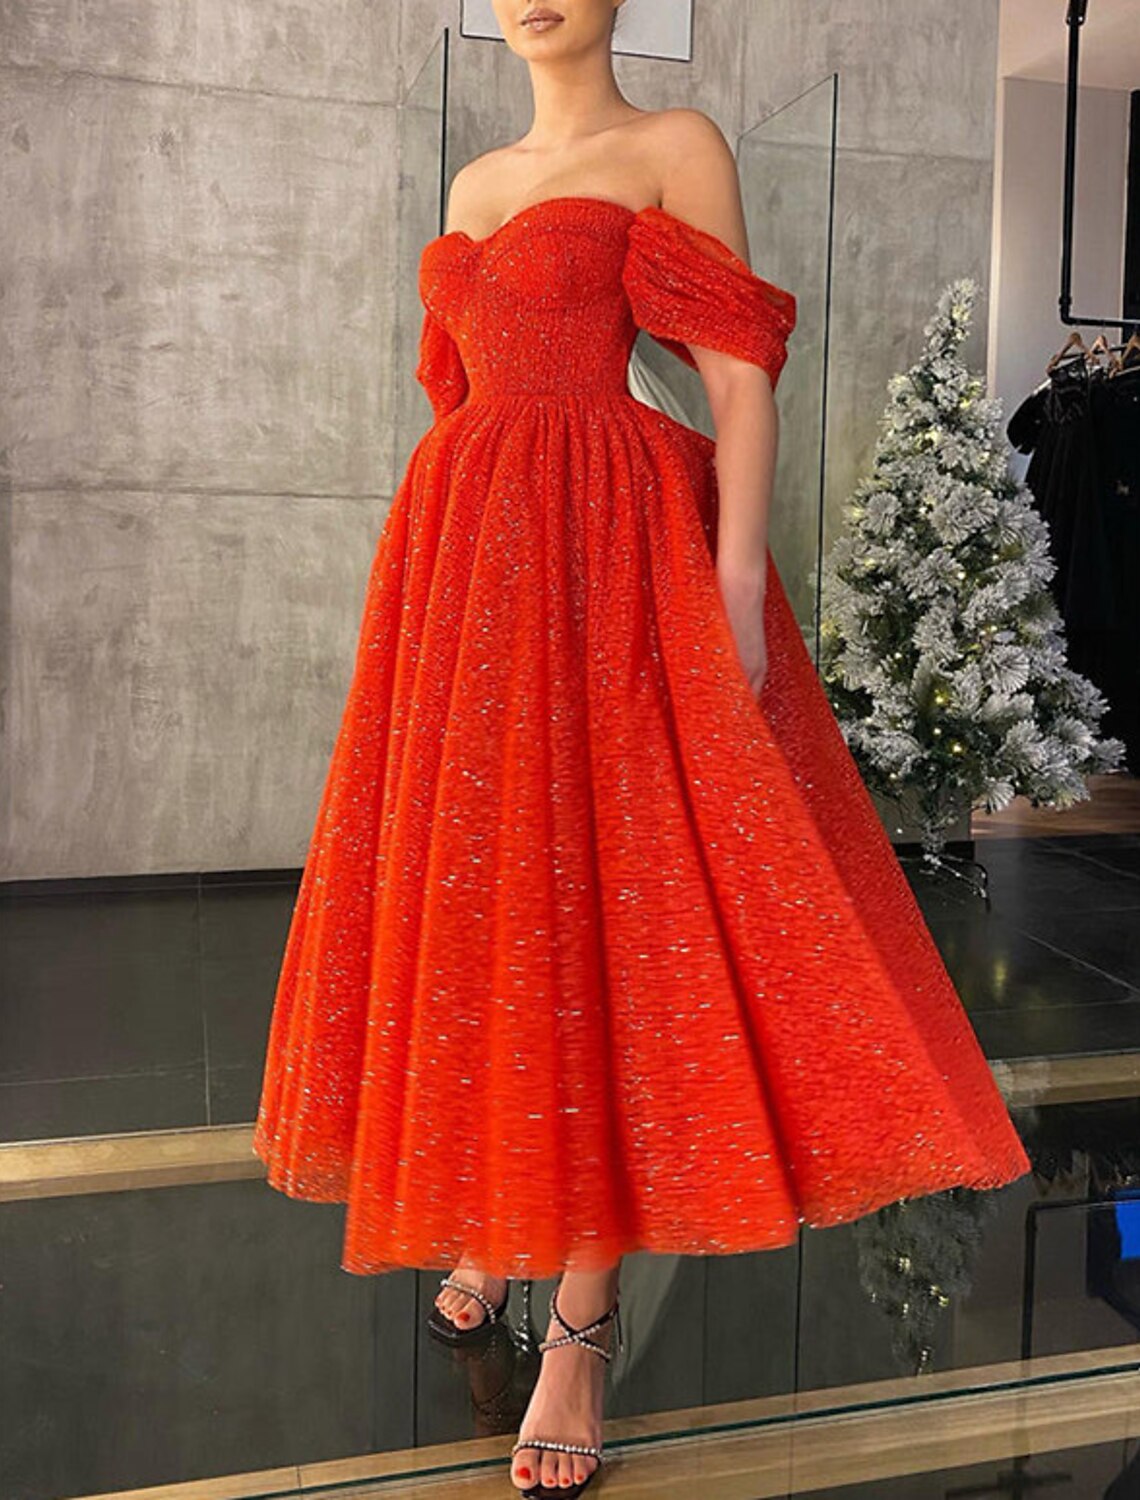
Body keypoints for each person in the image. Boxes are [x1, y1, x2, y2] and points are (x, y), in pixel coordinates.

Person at [253, 2, 1031, 1496]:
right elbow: (467, 395)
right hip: (466, 566)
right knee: (487, 896)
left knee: (606, 905)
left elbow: (736, 377)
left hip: (611, 551)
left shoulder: (676, 144)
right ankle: (503, 1204)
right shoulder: (476, 181)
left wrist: (733, 586)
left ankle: (582, 1317)